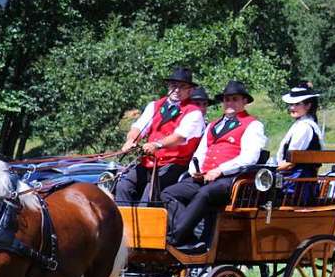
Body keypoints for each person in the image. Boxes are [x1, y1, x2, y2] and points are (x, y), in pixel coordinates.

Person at [161, 80, 267, 251]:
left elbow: (249, 157)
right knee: (169, 193)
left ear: (244, 101)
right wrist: (196, 171)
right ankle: (189, 238)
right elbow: (200, 152)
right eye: (227, 99)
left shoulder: (253, 125)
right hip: (205, 177)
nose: (230, 103)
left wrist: (220, 170)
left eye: (234, 99)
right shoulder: (212, 125)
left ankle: (174, 238)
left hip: (230, 180)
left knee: (204, 194)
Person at [115, 68, 206, 205]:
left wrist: (156, 145)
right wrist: (131, 141)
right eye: (173, 85)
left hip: (174, 164)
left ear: (190, 91)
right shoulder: (154, 106)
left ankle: (145, 223)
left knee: (149, 194)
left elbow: (179, 137)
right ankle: (125, 224)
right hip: (149, 161)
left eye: (182, 87)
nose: (176, 90)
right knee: (123, 186)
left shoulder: (194, 113)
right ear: (168, 87)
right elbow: (139, 127)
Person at [272, 82, 323, 203]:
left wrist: (271, 170)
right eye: (291, 104)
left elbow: (291, 162)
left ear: (308, 105)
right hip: (296, 181)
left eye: (296, 104)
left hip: (297, 186)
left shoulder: (304, 127)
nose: (292, 108)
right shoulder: (302, 124)